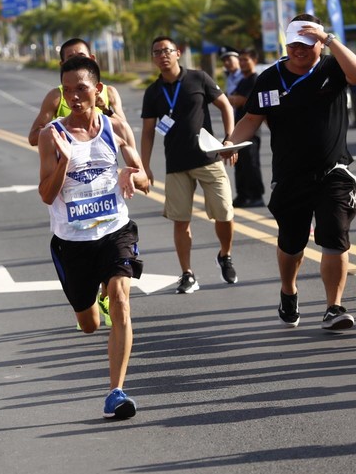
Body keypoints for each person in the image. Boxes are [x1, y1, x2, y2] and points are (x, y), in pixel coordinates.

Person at [227, 15, 356, 331]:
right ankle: (288, 290)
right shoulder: (269, 78)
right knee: (291, 243)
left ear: (319, 44)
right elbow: (251, 119)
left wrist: (329, 39)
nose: (300, 49)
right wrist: (229, 143)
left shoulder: (332, 68)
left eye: (308, 43)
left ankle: (333, 306)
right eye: (295, 43)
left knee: (335, 236)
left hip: (333, 170)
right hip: (290, 175)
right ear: (287, 43)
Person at [38, 56, 149, 419]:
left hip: (114, 229)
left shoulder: (115, 128)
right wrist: (65, 161)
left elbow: (145, 179)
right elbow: (45, 194)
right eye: (67, 90)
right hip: (71, 242)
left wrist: (131, 175)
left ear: (98, 90)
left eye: (81, 88)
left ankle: (116, 391)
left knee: (120, 298)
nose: (74, 96)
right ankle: (91, 303)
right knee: (89, 325)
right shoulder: (51, 135)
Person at [140, 36, 239, 294]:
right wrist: (144, 165)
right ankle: (187, 273)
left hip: (208, 158)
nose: (162, 55)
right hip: (176, 164)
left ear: (178, 53)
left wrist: (229, 139)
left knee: (225, 213)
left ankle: (225, 255)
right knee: (180, 220)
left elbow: (225, 106)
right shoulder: (152, 92)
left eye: (167, 50)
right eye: (157, 52)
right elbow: (148, 131)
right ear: (153, 58)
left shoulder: (199, 78)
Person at [27, 37, 132, 147]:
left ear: (92, 59)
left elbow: (124, 130)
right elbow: (33, 138)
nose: (77, 62)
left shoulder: (109, 92)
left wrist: (105, 110)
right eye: (71, 58)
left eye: (82, 56)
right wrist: (65, 129)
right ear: (62, 64)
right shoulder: (56, 96)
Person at [227, 48, 265, 208]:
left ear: (254, 61)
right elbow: (233, 99)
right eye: (240, 60)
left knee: (251, 164)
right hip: (239, 128)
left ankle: (256, 196)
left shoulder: (255, 79)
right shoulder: (243, 80)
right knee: (240, 164)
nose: (242, 63)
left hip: (251, 129)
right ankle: (242, 195)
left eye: (246, 60)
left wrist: (230, 99)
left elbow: (241, 101)